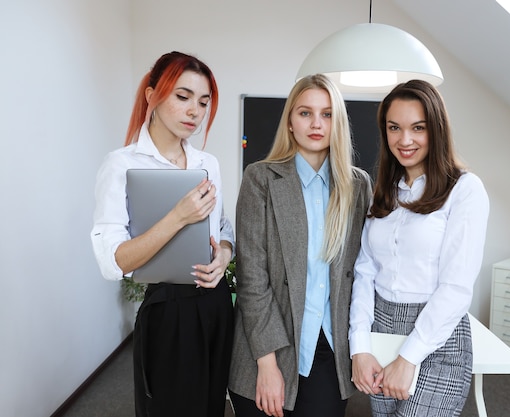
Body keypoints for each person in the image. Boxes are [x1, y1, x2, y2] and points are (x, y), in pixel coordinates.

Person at [90, 51, 235, 417]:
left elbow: (221, 227)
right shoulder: (122, 164)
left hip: (216, 305)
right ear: (152, 95)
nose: (195, 112)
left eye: (203, 102)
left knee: (210, 408)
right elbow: (112, 261)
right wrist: (177, 217)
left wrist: (224, 257)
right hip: (169, 312)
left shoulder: (207, 164)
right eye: (182, 97)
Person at [228, 74, 372, 417]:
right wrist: (267, 364)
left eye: (327, 114)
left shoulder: (357, 185)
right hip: (266, 347)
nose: (316, 123)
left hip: (329, 349)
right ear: (290, 121)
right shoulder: (260, 179)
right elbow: (252, 278)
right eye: (305, 113)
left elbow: (365, 270)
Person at [349, 80, 490, 417]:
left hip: (435, 338)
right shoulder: (384, 191)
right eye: (394, 128)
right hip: (381, 329)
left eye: (418, 128)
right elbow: (365, 271)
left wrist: (409, 357)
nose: (404, 140)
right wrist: (360, 347)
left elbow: (455, 287)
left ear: (437, 130)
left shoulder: (465, 190)